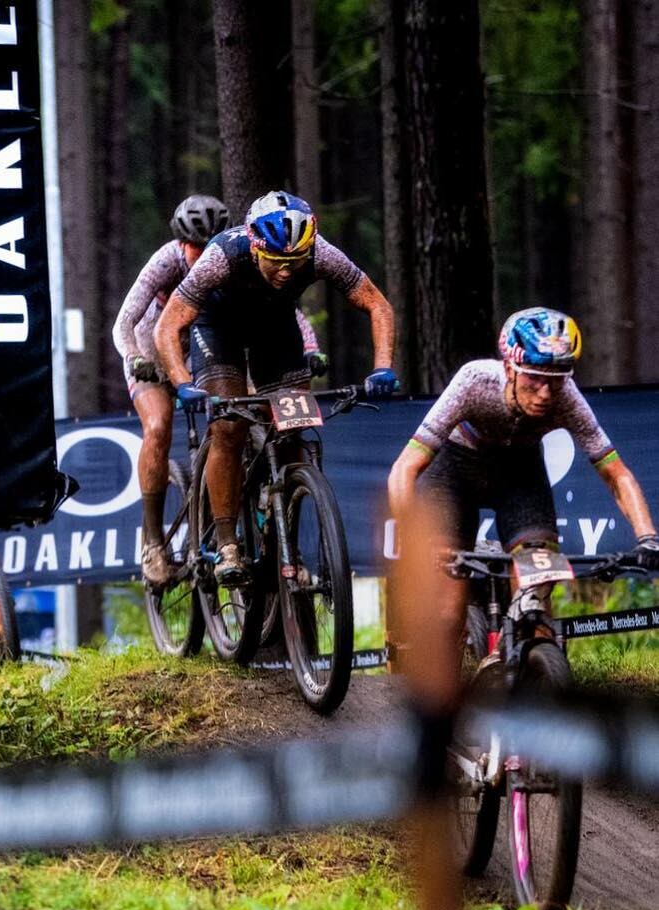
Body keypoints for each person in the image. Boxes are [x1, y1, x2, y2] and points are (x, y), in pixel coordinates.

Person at [155, 190, 398, 585]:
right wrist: (183, 383)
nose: (287, 271)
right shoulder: (222, 256)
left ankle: (283, 521)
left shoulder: (320, 252)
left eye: (294, 261)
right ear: (255, 246)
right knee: (229, 428)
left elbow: (377, 305)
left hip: (275, 331)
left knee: (294, 428)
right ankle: (228, 544)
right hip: (218, 331)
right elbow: (168, 325)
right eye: (277, 261)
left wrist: (383, 367)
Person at [387, 307, 659, 649]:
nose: (546, 393)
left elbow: (615, 473)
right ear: (509, 368)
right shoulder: (475, 381)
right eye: (534, 377)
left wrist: (648, 536)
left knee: (537, 600)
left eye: (557, 378)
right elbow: (405, 467)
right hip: (455, 471)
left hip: (519, 474)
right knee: (446, 614)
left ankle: (534, 672)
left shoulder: (567, 398)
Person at [114, 194, 324, 585]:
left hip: (200, 350)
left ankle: (254, 503)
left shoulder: (231, 259)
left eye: (208, 241)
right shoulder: (166, 261)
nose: (201, 251)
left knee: (243, 412)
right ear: (181, 242)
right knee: (158, 427)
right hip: (152, 354)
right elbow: (125, 319)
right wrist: (132, 357)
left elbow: (288, 313)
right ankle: (154, 540)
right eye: (195, 245)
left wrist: (310, 350)